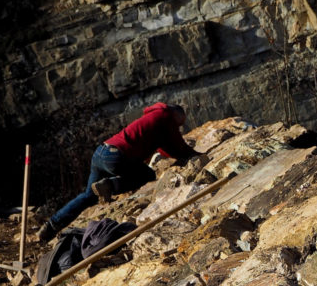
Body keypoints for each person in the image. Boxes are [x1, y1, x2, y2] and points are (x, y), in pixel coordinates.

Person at [37, 103, 203, 243]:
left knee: (88, 196)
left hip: (101, 153)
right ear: (176, 115)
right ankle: (110, 185)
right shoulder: (165, 117)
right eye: (179, 124)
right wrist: (196, 156)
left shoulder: (154, 117)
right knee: (147, 175)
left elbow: (165, 147)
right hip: (116, 156)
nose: (178, 128)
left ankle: (51, 226)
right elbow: (176, 145)